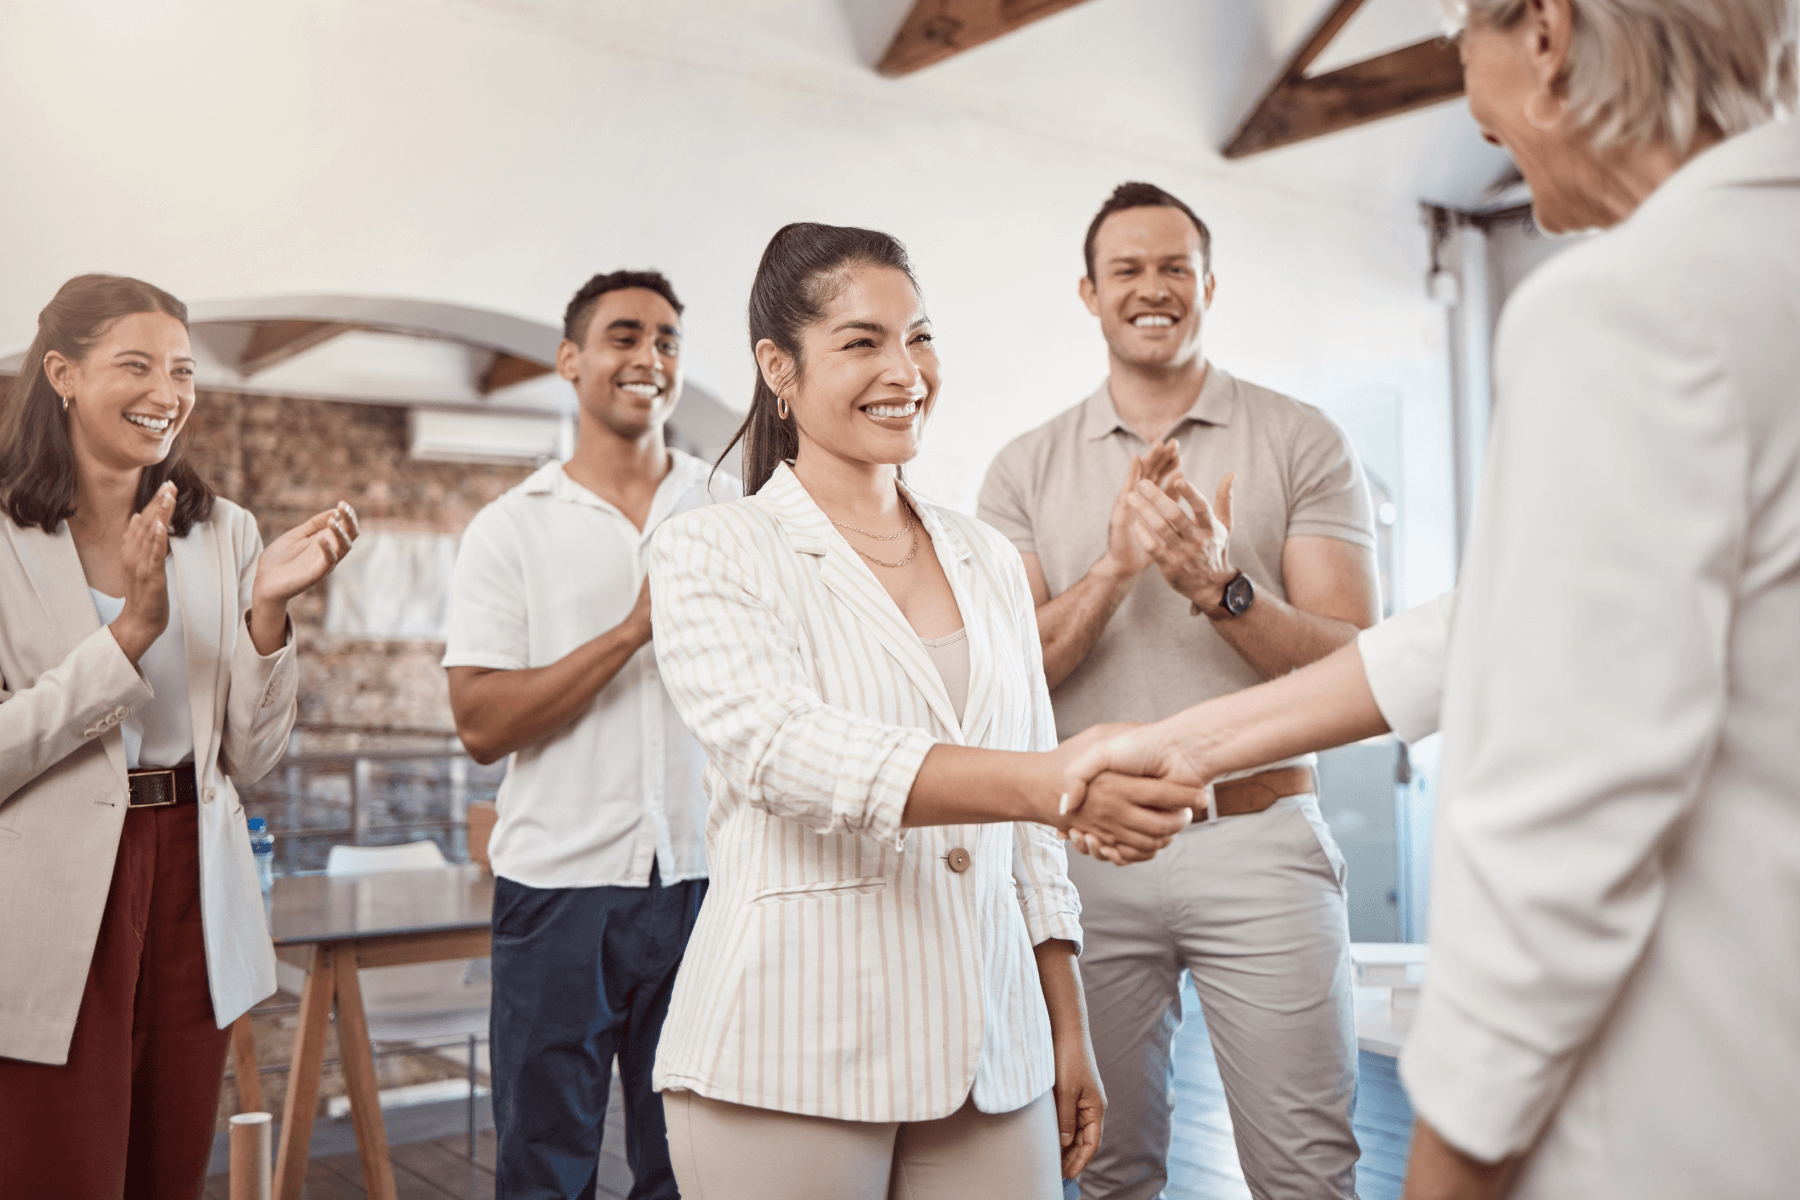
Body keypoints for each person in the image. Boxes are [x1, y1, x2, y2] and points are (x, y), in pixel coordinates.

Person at [1064, 1, 1800, 1196]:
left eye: (1464, 42)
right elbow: (1482, 628)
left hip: (1708, 1083)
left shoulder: (1627, 306)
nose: (1474, 101)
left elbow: (1565, 811)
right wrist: (1178, 745)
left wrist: (1454, 1155)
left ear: (1548, 35)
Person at [644, 222, 1194, 1200]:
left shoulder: (981, 555)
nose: (906, 370)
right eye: (862, 342)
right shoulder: (713, 548)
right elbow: (785, 750)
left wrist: (1065, 1024)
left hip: (994, 1048)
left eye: (921, 337)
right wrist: (1050, 784)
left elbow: (1031, 839)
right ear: (780, 367)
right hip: (790, 1048)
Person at [976, 182, 1381, 1199]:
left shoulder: (1304, 439)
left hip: (1264, 843)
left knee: (1308, 1174)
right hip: (1088, 861)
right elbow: (1005, 675)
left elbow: (1360, 662)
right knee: (1105, 1170)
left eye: (1173, 267)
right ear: (1089, 291)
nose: (1152, 289)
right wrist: (1115, 569)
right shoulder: (1023, 468)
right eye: (1128, 269)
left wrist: (1220, 586)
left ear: (1208, 284)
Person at [0, 274, 357, 1198]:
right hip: (51, 887)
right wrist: (124, 641)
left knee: (169, 1170)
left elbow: (253, 757)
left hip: (192, 877)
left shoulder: (224, 532)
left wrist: (267, 615)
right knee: (60, 1171)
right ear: (62, 374)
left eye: (183, 371)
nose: (167, 393)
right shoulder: (3, 537)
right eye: (136, 365)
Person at [442, 269, 731, 1200]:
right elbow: (480, 723)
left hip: (707, 882)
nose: (649, 357)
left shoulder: (730, 513)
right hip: (559, 894)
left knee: (691, 1162)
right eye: (624, 336)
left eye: (667, 341)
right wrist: (629, 633)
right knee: (544, 1166)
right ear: (570, 360)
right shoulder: (508, 530)